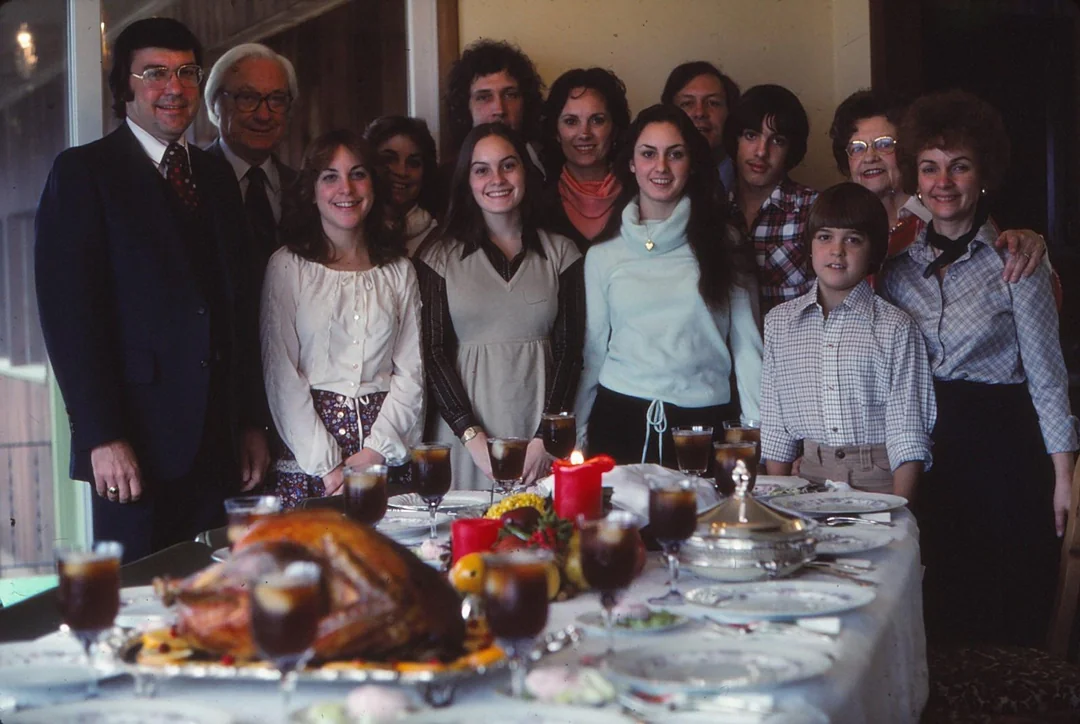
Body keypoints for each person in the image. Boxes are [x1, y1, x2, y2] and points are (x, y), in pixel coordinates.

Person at [34, 18, 269, 562]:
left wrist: (251, 422)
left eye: (187, 72)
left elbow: (240, 310)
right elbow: (69, 319)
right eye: (156, 73)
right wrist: (101, 437)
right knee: (139, 609)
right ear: (125, 88)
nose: (175, 87)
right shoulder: (84, 173)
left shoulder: (212, 177)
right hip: (132, 448)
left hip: (218, 448)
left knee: (215, 599)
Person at [879, 90, 1077, 647]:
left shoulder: (1019, 260)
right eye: (930, 167)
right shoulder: (894, 266)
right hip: (921, 450)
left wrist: (1065, 479)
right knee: (930, 609)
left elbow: (1047, 377)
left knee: (1000, 611)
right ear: (915, 177)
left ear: (983, 174)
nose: (943, 181)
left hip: (1002, 456)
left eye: (959, 166)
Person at [574, 104, 762, 466]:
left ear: (690, 164)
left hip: (704, 425)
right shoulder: (603, 254)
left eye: (674, 155)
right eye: (648, 154)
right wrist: (579, 437)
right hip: (617, 423)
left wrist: (755, 438)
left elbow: (747, 347)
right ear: (631, 163)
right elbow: (594, 354)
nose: (660, 167)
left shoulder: (726, 243)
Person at [261, 130, 423, 508]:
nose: (345, 188)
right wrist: (329, 467)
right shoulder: (288, 266)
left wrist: (374, 454)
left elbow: (412, 372)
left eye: (358, 174)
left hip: (384, 453)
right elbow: (281, 373)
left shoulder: (399, 270)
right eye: (330, 176)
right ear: (312, 189)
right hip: (311, 459)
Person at [417, 124, 584, 490]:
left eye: (508, 165)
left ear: (525, 171)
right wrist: (472, 437)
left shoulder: (562, 253)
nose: (497, 179)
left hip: (538, 435)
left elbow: (570, 354)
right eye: (482, 169)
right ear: (467, 180)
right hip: (465, 439)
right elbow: (432, 354)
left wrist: (546, 437)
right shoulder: (437, 257)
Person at [761, 183, 935, 497]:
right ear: (810, 245)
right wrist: (779, 497)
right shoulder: (779, 323)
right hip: (806, 483)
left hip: (879, 482)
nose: (837, 250)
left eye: (853, 240)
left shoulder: (895, 327)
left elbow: (907, 432)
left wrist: (901, 509)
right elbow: (776, 429)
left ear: (874, 251)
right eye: (825, 237)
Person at [828, 89, 1048, 281]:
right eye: (857, 148)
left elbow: (1012, 274)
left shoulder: (945, 209)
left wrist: (1031, 242)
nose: (869, 157)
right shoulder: (835, 224)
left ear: (908, 151)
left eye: (884, 144)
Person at [205, 43, 299, 276]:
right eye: (247, 98)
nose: (264, 115)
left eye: (276, 99)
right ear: (216, 104)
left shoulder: (304, 188)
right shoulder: (189, 182)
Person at [724, 84, 818, 315]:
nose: (761, 152)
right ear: (735, 140)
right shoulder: (715, 210)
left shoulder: (812, 209)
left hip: (796, 348)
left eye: (777, 141)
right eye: (750, 136)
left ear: (791, 150)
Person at [540, 67, 631, 252]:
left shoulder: (638, 195)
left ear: (614, 129)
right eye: (571, 122)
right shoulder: (538, 202)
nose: (584, 133)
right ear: (556, 132)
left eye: (597, 120)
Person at [444, 39, 546, 177]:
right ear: (465, 106)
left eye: (510, 95)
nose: (499, 109)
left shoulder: (554, 164)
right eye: (484, 97)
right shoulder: (445, 181)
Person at [364, 115, 440, 257]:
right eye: (389, 159)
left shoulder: (441, 243)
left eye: (413, 163)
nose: (402, 171)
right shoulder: (352, 231)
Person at [661, 60, 741, 192]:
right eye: (687, 103)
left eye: (713, 103)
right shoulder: (652, 178)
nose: (700, 113)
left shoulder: (752, 179)